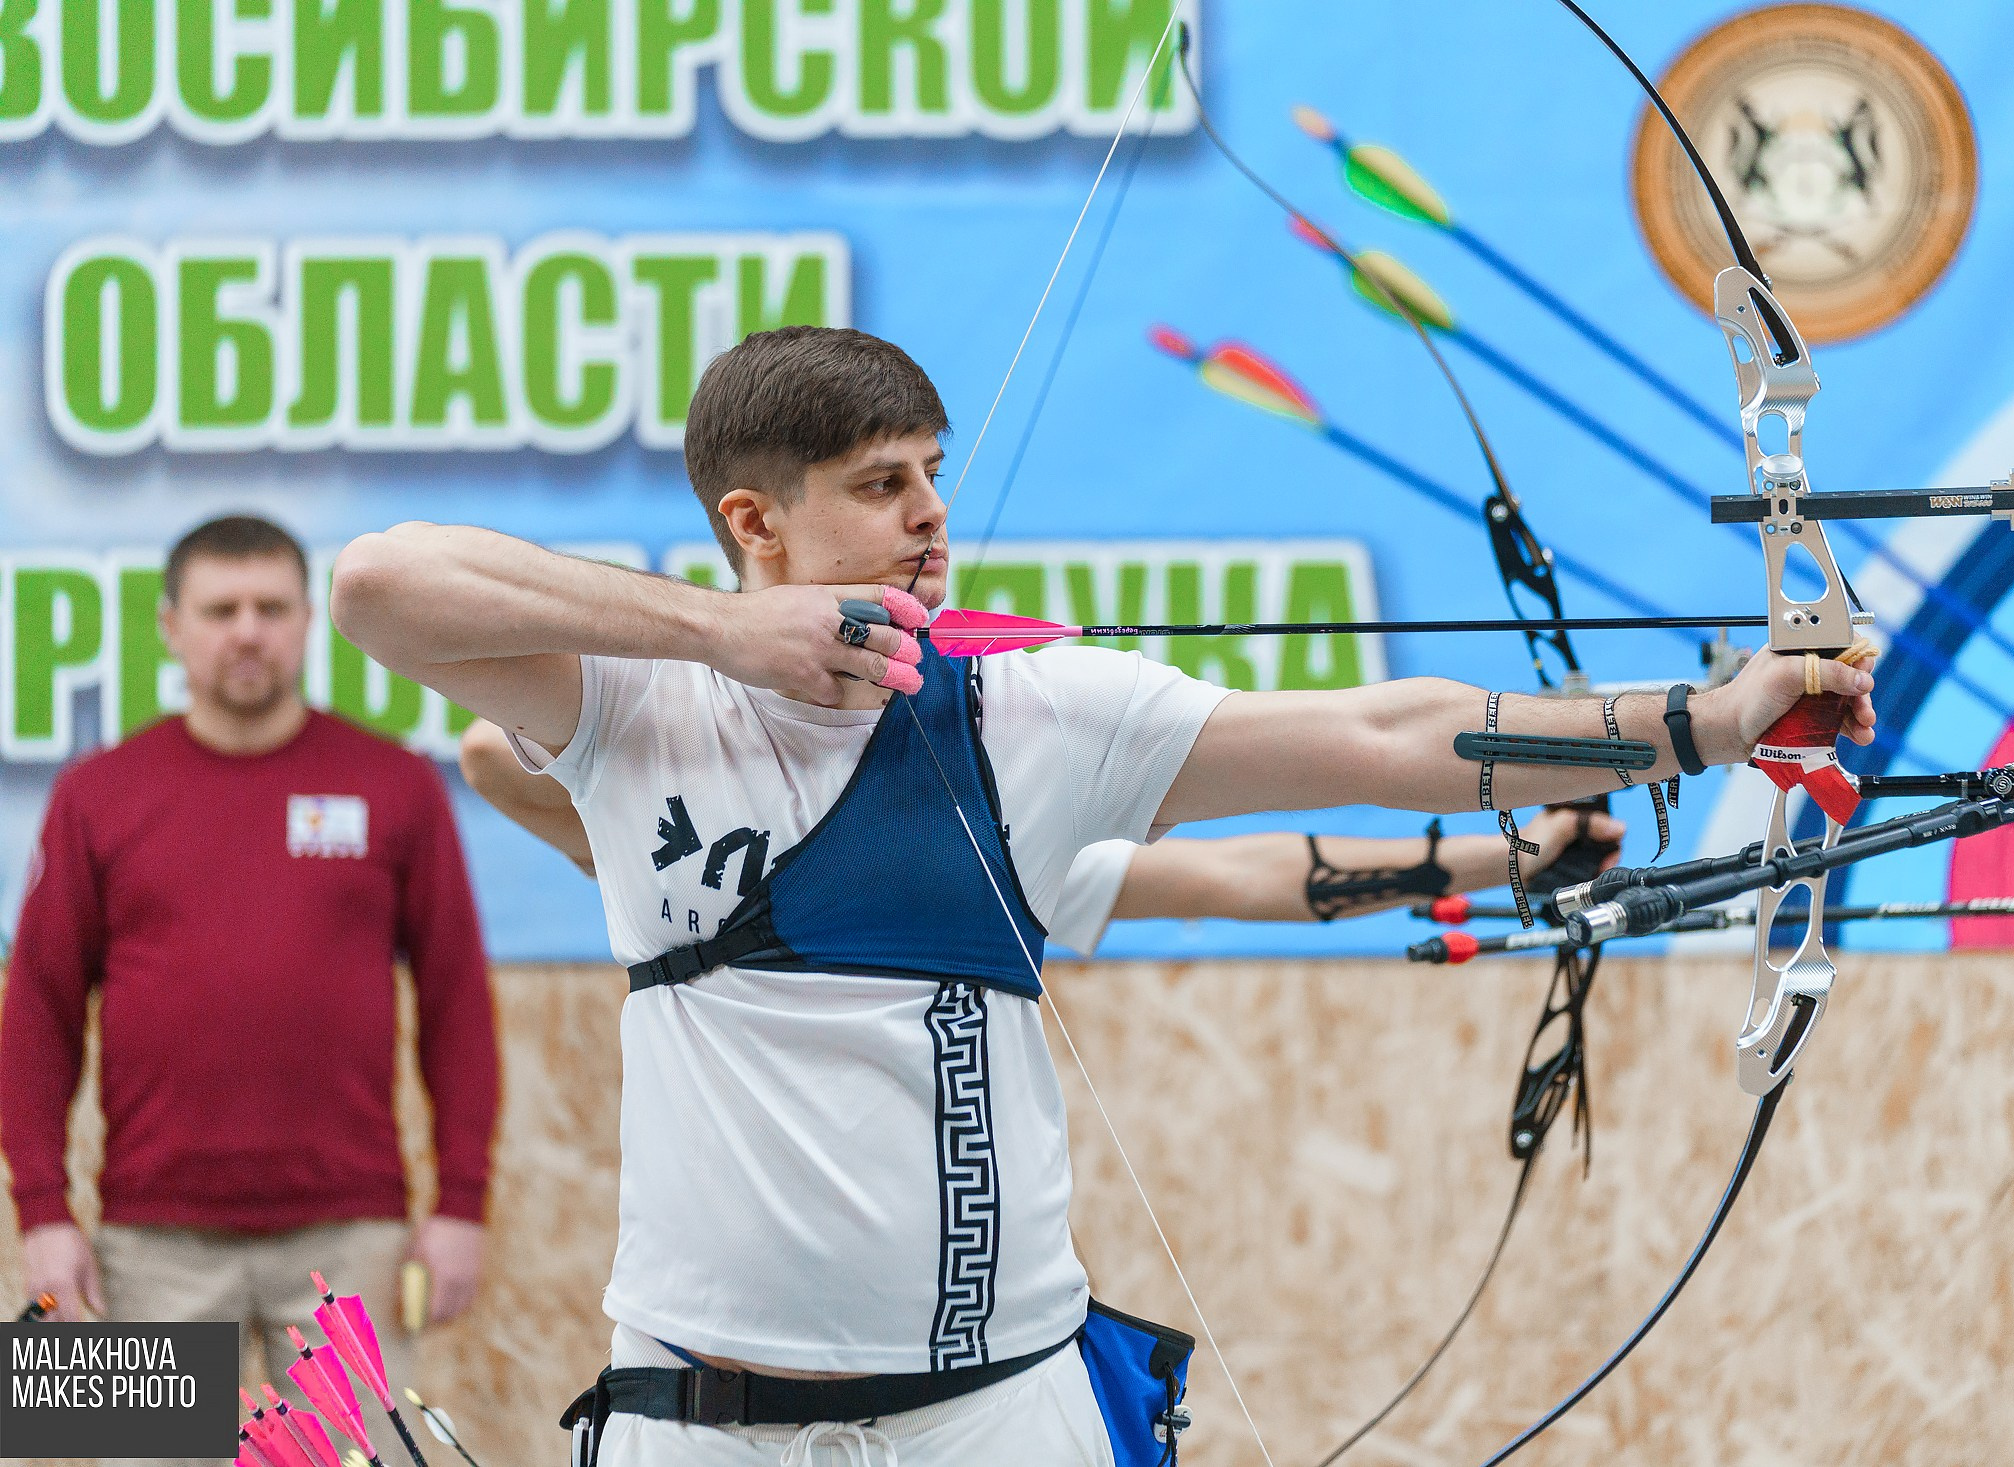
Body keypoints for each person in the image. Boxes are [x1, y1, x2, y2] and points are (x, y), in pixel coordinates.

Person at [328, 325, 1873, 1466]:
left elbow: (1380, 735)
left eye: (935, 475)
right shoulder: (635, 705)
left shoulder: (1028, 710)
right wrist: (726, 636)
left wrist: (1708, 718)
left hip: (987, 1416)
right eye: (881, 483)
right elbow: (380, 584)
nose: (930, 514)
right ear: (757, 522)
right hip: (694, 1417)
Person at [1, 515, 500, 1467]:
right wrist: (44, 1215)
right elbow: (37, 1016)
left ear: (308, 621)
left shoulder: (393, 784)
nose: (246, 630)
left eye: (270, 607)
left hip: (351, 1240)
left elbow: (456, 1005)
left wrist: (461, 1204)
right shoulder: (96, 794)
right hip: (149, 1241)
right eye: (220, 608)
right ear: (170, 626)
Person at [455, 713, 1625, 948]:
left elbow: (1235, 878)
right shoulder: (688, 829)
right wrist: (728, 664)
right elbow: (488, 752)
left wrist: (1510, 855)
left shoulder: (970, 842)